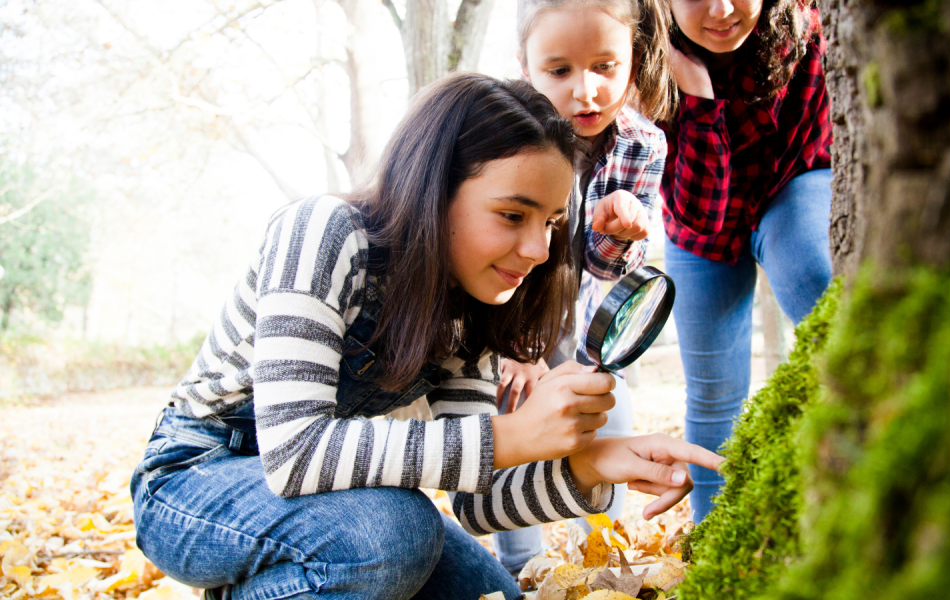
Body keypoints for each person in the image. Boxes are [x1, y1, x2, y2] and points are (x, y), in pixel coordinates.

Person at [129, 72, 722, 600]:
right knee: (391, 535)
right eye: (513, 216)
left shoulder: (473, 304)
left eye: (551, 223)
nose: (540, 250)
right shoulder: (322, 232)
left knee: (487, 591)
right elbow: (295, 454)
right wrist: (511, 434)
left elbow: (477, 501)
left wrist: (590, 466)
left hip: (329, 499)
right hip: (195, 478)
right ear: (434, 189)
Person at [490, 0, 673, 575]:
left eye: (604, 67)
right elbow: (498, 251)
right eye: (560, 70)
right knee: (515, 424)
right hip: (514, 311)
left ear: (632, 62)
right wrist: (520, 347)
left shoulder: (642, 145)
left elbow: (604, 268)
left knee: (602, 419)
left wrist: (621, 231)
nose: (585, 91)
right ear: (526, 68)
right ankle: (521, 568)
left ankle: (604, 556)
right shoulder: (506, 139)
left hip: (589, 319)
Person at [658, 0, 833, 522]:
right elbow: (701, 216)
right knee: (713, 397)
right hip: (700, 231)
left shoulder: (803, 28)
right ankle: (714, 536)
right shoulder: (644, 58)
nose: (721, 9)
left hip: (792, 182)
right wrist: (696, 94)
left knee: (810, 270)